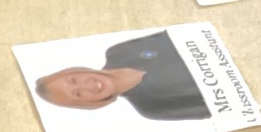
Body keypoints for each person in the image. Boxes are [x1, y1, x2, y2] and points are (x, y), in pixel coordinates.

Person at [35, 30, 209, 121]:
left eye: (74, 80)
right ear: (84, 104)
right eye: (78, 94)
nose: (88, 86)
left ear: (76, 70)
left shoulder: (118, 51)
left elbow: (187, 32)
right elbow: (217, 111)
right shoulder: (151, 108)